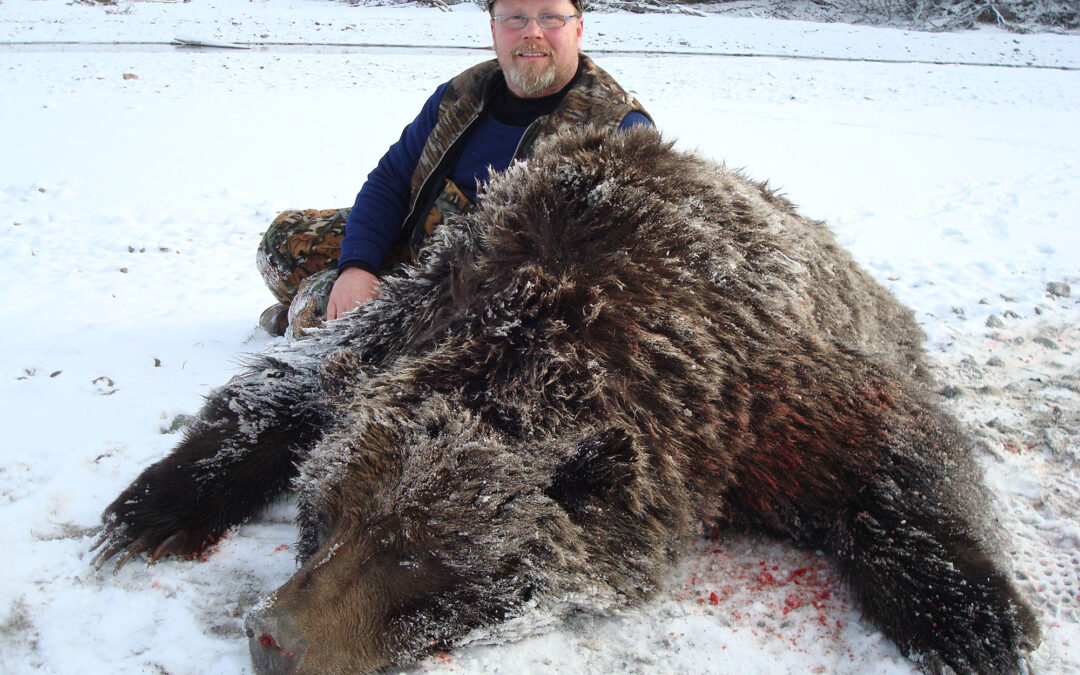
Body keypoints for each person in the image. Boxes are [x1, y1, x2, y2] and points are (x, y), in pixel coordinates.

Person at [257, 0, 652, 339]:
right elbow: (391, 179)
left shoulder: (618, 129)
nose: (532, 32)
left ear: (578, 29)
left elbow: (623, 275)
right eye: (515, 17)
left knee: (318, 305)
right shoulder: (464, 92)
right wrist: (358, 266)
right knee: (279, 247)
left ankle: (297, 322)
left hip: (483, 300)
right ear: (494, 29)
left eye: (550, 17)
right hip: (419, 239)